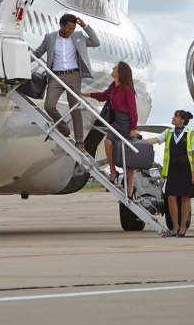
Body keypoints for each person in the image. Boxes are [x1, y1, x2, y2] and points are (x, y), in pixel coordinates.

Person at [32, 13, 100, 152]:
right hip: (56, 77)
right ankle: (63, 127)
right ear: (61, 25)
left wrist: (85, 26)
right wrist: (19, 63)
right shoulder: (50, 38)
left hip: (74, 75)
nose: (71, 31)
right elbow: (37, 53)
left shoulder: (78, 36)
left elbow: (96, 42)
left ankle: (80, 143)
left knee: (75, 109)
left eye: (73, 28)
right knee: (49, 105)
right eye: (69, 28)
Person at [146, 110, 194, 237]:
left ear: (182, 120)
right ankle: (174, 226)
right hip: (172, 169)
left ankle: (183, 227)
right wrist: (141, 141)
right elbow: (155, 139)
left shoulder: (191, 135)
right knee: (171, 197)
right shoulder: (168, 133)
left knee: (186, 198)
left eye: (176, 116)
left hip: (186, 169)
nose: (173, 118)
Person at [88, 61, 138, 197]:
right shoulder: (113, 86)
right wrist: (86, 94)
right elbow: (103, 96)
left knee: (128, 154)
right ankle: (113, 170)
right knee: (108, 142)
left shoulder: (127, 89)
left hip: (126, 122)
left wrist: (133, 128)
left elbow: (133, 110)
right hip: (116, 121)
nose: (112, 68)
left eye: (115, 68)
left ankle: (129, 184)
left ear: (120, 72)